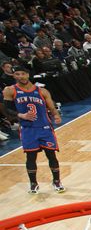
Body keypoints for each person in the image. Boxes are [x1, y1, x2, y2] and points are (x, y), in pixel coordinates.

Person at [2, 65, 65, 194]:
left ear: (28, 74)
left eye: (23, 74)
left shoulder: (42, 91)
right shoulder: (10, 90)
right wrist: (21, 115)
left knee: (51, 155)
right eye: (17, 74)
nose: (21, 76)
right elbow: (6, 110)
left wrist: (56, 115)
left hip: (45, 127)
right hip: (27, 129)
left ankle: (57, 181)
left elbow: (51, 106)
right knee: (31, 157)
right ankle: (33, 183)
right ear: (14, 76)